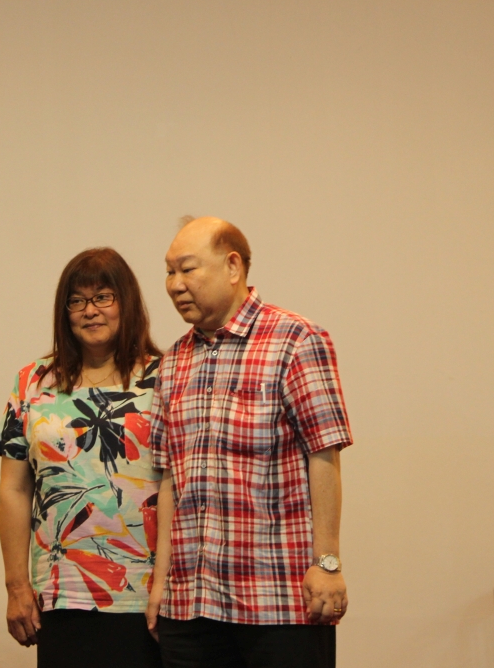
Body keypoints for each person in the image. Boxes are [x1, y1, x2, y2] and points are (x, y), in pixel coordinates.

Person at [145, 217, 354, 668]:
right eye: (169, 272)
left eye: (187, 269)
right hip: (191, 605)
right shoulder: (173, 361)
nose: (175, 284)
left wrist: (328, 563)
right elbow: (169, 480)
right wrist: (161, 582)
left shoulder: (296, 340)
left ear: (233, 266)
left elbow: (324, 454)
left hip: (277, 601)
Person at [0, 247, 164, 668]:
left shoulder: (165, 378)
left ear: (126, 303)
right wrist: (17, 586)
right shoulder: (32, 382)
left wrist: (166, 584)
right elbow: (14, 489)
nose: (90, 310)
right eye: (77, 300)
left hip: (148, 592)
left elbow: (180, 485)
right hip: (61, 591)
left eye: (103, 297)